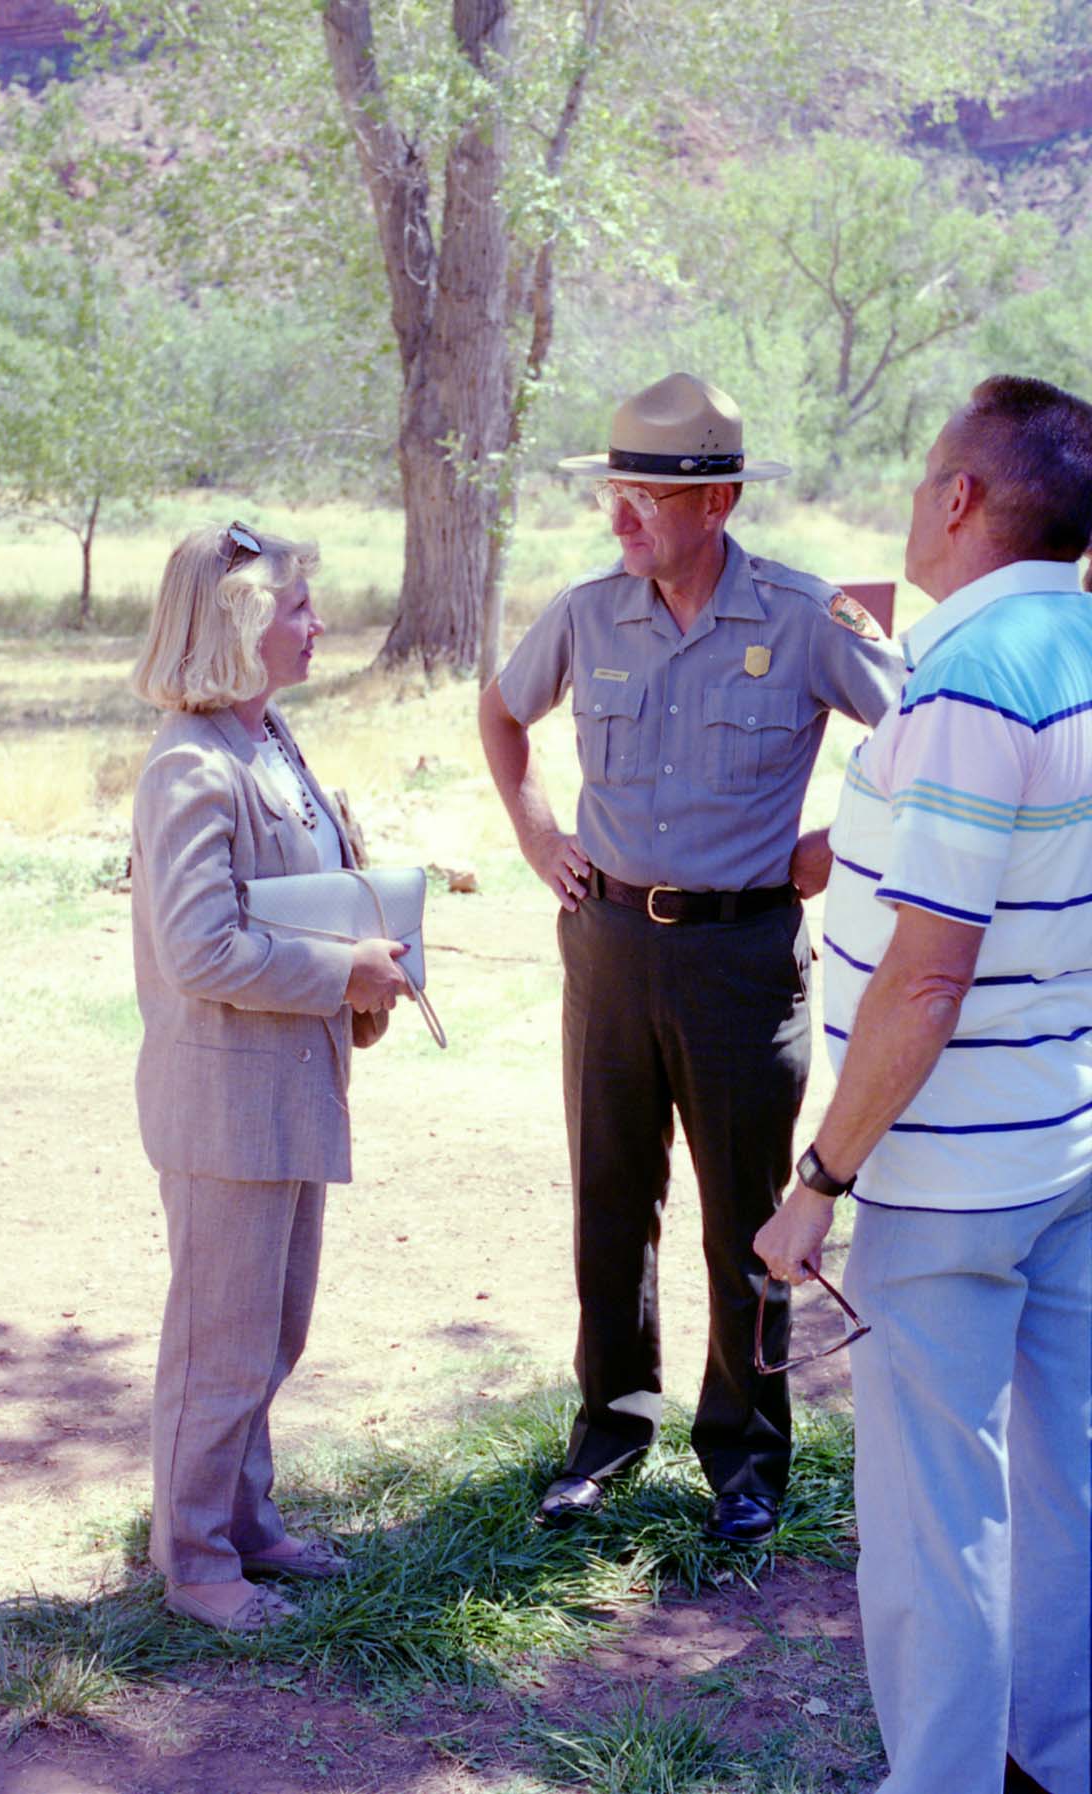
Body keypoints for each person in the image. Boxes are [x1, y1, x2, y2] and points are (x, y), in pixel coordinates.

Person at [479, 372, 904, 1542]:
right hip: (609, 946)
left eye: (645, 500)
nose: (620, 519)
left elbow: (925, 740)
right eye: (613, 493)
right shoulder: (585, 611)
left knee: (748, 1215)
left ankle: (749, 1456)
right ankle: (608, 1433)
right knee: (611, 1203)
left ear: (716, 501)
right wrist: (537, 834)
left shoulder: (807, 617)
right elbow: (504, 714)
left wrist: (835, 841)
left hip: (741, 959)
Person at [754, 374, 1092, 1794]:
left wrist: (818, 1178)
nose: (906, 508)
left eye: (917, 484)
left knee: (938, 1510)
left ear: (959, 499)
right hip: (1066, 1140)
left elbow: (927, 976)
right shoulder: (1070, 642)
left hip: (948, 1169)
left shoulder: (968, 682)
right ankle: (1056, 1756)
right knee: (1067, 1487)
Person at [130, 521, 407, 1633]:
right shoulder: (189, 765)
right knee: (219, 1342)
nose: (318, 624)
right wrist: (345, 974)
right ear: (243, 622)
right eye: (298, 607)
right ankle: (194, 1562)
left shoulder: (269, 738)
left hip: (286, 1090)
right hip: (225, 1105)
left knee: (269, 1331)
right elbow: (200, 950)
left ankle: (244, 1525)